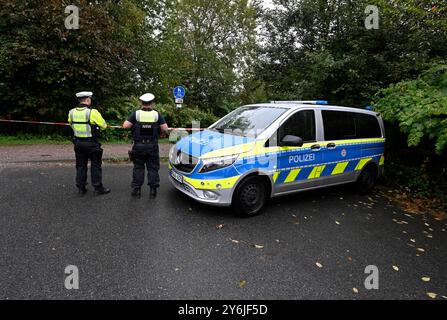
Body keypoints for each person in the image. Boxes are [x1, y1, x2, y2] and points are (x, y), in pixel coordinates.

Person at [122, 93, 169, 198]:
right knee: (153, 168)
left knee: (138, 167)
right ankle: (153, 191)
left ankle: (137, 190)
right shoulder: (157, 115)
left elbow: (125, 126)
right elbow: (165, 129)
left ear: (141, 103)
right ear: (152, 103)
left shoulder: (136, 114)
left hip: (138, 146)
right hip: (152, 146)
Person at [68, 91, 111, 196]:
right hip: (91, 143)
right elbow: (104, 125)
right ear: (87, 100)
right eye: (90, 99)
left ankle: (81, 188)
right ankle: (98, 188)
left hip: (78, 143)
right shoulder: (92, 112)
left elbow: (70, 123)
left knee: (81, 166)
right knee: (95, 165)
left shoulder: (72, 112)